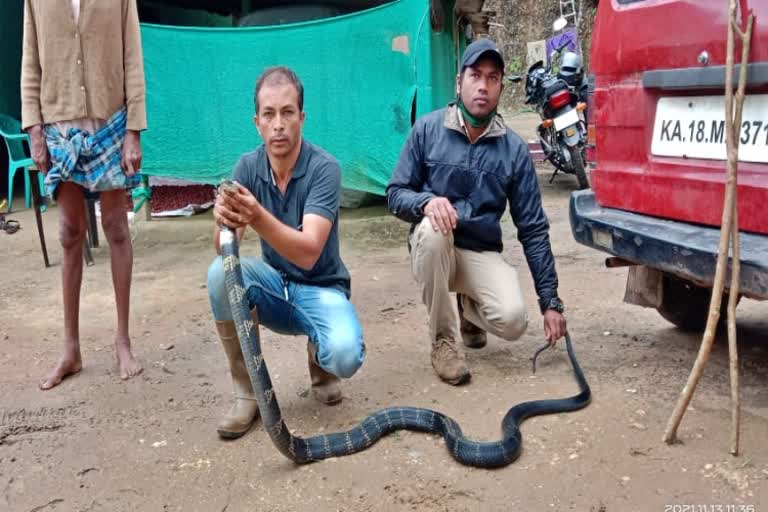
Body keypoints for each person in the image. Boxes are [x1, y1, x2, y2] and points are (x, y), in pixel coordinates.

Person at [386, 39, 567, 385]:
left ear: (501, 85)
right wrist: (426, 202)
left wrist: (551, 301)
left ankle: (469, 309)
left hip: (480, 252)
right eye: (475, 75)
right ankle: (443, 342)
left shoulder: (513, 149)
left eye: (493, 77)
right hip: (434, 249)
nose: (483, 86)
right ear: (459, 82)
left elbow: (532, 229)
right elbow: (395, 194)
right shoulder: (427, 129)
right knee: (434, 230)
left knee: (514, 322)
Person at [207, 66, 365, 439]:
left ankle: (320, 363)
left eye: (287, 112)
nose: (278, 124)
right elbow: (223, 248)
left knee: (344, 355)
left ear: (301, 118)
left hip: (323, 287)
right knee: (219, 274)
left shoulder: (325, 168)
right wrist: (222, 221)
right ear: (257, 122)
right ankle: (247, 391)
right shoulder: (247, 167)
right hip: (276, 285)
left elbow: (309, 252)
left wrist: (256, 216)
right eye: (269, 114)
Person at [21, 0, 147, 389]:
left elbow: (132, 57)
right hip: (59, 125)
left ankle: (122, 341)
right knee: (70, 232)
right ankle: (71, 350)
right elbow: (30, 62)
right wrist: (33, 129)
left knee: (116, 228)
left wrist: (133, 130)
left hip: (110, 121)